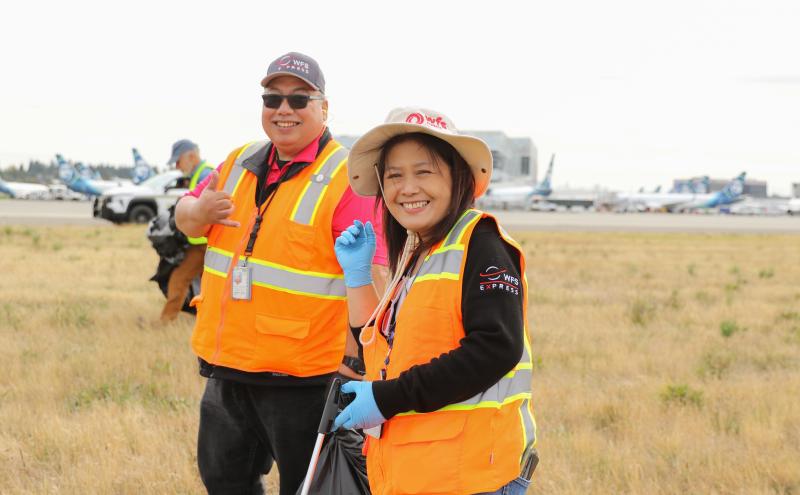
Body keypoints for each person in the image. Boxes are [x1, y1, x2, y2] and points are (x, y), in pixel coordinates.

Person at [174, 52, 387, 495]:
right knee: (224, 481)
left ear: (323, 108)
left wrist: (357, 366)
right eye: (273, 99)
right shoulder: (238, 161)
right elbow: (184, 217)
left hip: (305, 378)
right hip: (228, 368)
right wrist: (198, 209)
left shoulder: (345, 178)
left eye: (298, 99)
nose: (283, 109)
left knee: (308, 487)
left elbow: (372, 276)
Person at [331, 107, 537, 495]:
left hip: (469, 478)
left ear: (458, 176)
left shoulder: (481, 243)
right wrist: (357, 279)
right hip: (414, 473)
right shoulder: (419, 253)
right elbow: (380, 350)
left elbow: (496, 348)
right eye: (394, 176)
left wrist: (384, 399)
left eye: (423, 172)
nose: (407, 188)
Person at [159, 139, 214, 322]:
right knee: (209, 285)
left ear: (191, 156)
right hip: (204, 242)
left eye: (178, 161)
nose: (177, 166)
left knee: (178, 279)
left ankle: (165, 321)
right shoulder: (201, 174)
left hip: (202, 245)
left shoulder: (204, 175)